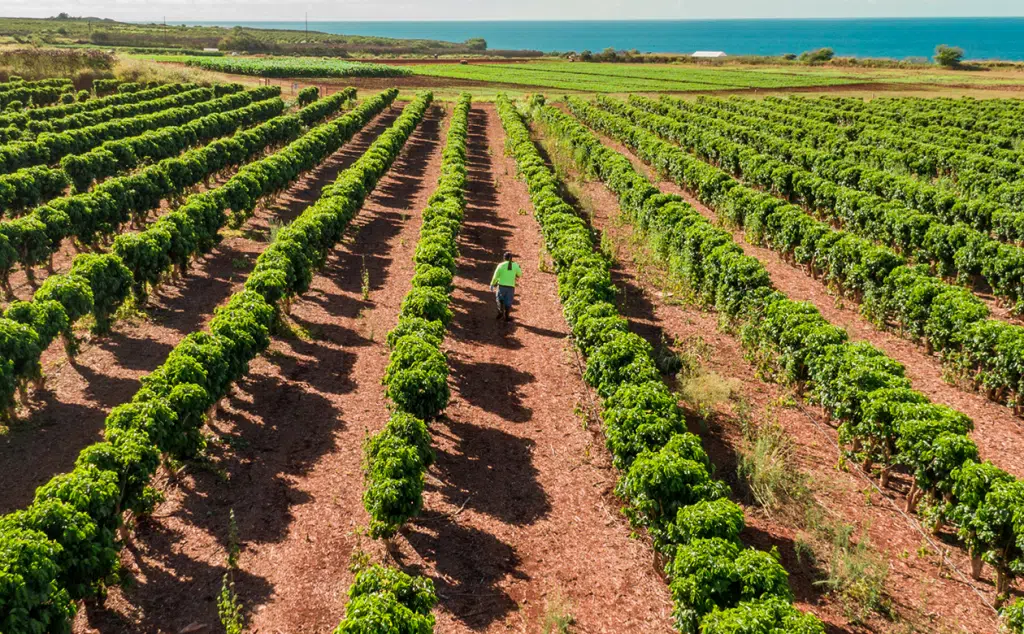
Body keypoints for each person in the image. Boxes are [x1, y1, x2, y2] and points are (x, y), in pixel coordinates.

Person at [489, 251, 522, 321]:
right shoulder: (515, 265)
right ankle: (507, 316)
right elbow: (520, 274)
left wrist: (492, 284)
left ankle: (500, 311)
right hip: (511, 287)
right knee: (508, 302)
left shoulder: (500, 265)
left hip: (501, 286)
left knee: (499, 299)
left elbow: (495, 276)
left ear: (504, 258)